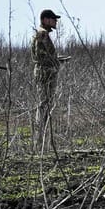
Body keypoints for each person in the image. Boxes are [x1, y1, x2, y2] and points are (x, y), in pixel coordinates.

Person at [31, 9, 63, 144]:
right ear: (45, 20)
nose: (55, 21)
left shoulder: (42, 34)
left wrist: (58, 60)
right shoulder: (42, 34)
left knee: (44, 104)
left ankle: (42, 136)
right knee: (44, 104)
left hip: (45, 72)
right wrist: (55, 62)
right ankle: (41, 137)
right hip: (46, 74)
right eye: (53, 19)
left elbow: (45, 55)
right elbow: (42, 57)